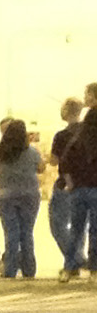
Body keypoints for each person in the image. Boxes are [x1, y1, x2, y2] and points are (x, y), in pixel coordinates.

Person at [0, 116, 42, 280]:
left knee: (11, 232)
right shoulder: (32, 152)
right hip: (30, 195)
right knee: (27, 232)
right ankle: (29, 269)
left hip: (5, 196)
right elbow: (41, 168)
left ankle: (10, 269)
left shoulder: (0, 152)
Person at [57, 98, 97, 282]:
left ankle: (69, 268)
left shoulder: (77, 140)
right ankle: (94, 270)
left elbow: (64, 163)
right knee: (95, 231)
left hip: (78, 189)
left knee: (76, 230)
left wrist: (69, 182)